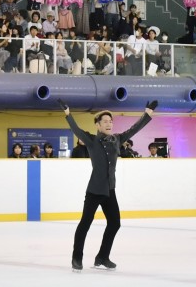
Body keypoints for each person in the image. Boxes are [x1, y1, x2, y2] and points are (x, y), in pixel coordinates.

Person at [59, 98, 157, 271]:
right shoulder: (91, 141)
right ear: (97, 125)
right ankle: (77, 258)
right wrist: (68, 114)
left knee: (115, 223)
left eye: (110, 121)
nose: (109, 123)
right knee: (85, 223)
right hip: (95, 190)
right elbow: (76, 130)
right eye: (105, 121)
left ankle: (102, 257)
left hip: (110, 190)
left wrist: (147, 114)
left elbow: (134, 129)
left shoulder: (117, 139)